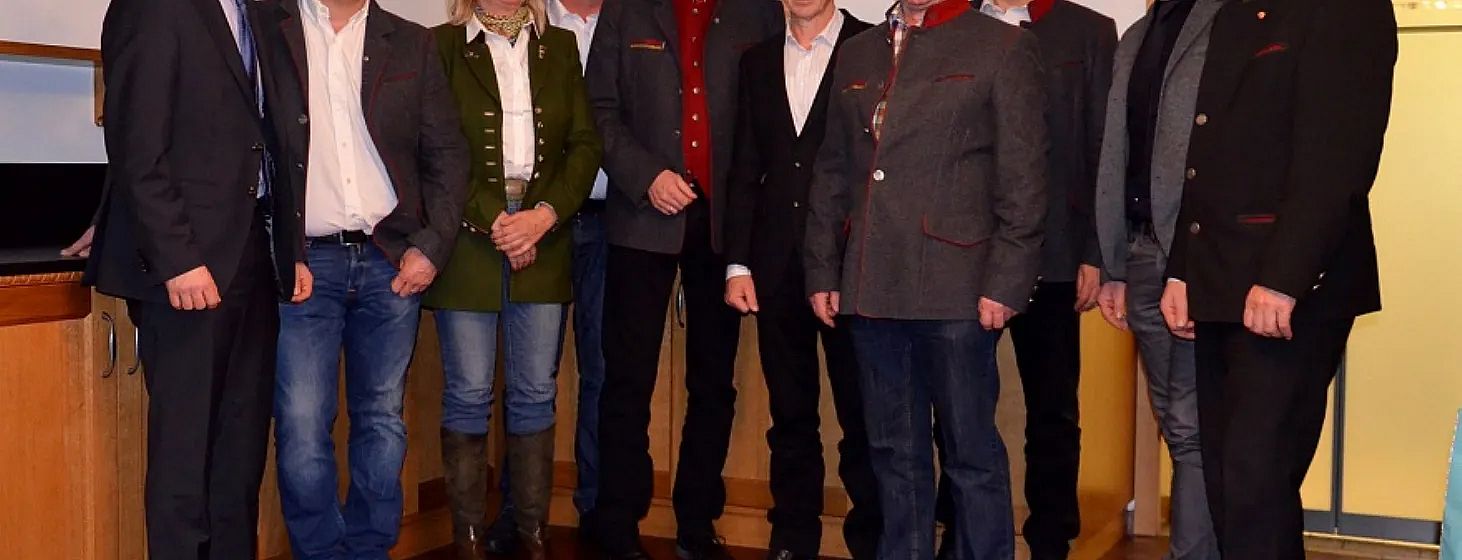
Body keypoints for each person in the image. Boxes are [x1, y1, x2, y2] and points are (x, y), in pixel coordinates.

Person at [804, 0, 1048, 557]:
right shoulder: (857, 52)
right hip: (870, 288)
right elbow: (832, 172)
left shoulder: (1002, 46)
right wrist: (822, 266)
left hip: (958, 289)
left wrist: (1007, 279)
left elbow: (1025, 178)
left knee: (971, 457)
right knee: (892, 454)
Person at [1159, 0, 1397, 557]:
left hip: (1289, 290)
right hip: (1216, 280)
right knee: (1223, 479)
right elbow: (1205, 148)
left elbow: (1338, 158)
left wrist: (1284, 278)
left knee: (1255, 481)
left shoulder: (1347, 9)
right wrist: (1181, 270)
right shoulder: (1233, 11)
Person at [252, 0, 471, 557]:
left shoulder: (412, 43)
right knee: (302, 425)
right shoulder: (271, 29)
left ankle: (371, 548)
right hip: (306, 264)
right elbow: (253, 149)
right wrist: (282, 248)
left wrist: (432, 246)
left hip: (391, 262)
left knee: (381, 419)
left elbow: (447, 155)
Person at [88, 0, 303, 557]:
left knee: (239, 455)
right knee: (183, 462)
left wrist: (290, 248)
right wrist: (176, 259)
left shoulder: (262, 9)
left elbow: (277, 137)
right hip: (187, 268)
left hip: (254, 257)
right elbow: (136, 142)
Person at [586, 0, 782, 558]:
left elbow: (769, 109)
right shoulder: (626, 10)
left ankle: (698, 518)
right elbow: (599, 108)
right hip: (641, 217)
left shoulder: (757, 11)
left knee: (713, 384)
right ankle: (619, 518)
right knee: (626, 379)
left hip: (724, 226)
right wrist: (645, 176)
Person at [930, 0, 1114, 558]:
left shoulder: (1088, 31)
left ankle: (1051, 539)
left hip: (1056, 254)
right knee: (957, 408)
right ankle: (959, 535)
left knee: (1053, 410)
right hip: (965, 254)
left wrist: (1096, 251)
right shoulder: (950, 21)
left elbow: (1104, 148)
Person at [422, 0, 601, 557]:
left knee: (535, 394)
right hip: (469, 241)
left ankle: (534, 537)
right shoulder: (441, 47)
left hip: (544, 239)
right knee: (469, 393)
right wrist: (497, 222)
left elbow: (586, 144)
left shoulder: (561, 47)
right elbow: (434, 149)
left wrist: (543, 217)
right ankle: (470, 540)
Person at [721, 1, 878, 558]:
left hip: (851, 264)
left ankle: (870, 540)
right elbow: (744, 166)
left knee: (863, 415)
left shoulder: (874, 44)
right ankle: (792, 539)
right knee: (789, 414)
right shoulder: (757, 60)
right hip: (776, 264)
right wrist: (738, 262)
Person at [472, 0, 612, 554]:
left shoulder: (627, 20)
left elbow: (596, 133)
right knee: (526, 380)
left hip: (606, 221)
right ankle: (516, 516)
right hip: (524, 231)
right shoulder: (529, 25)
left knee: (601, 371)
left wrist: (548, 211)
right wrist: (523, 225)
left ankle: (596, 511)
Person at [1090, 0, 1226, 557]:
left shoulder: (1227, 22)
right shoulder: (1138, 35)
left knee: (1194, 426)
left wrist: (1192, 267)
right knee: (1177, 421)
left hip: (1192, 258)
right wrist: (1115, 266)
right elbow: (1119, 152)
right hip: (1142, 253)